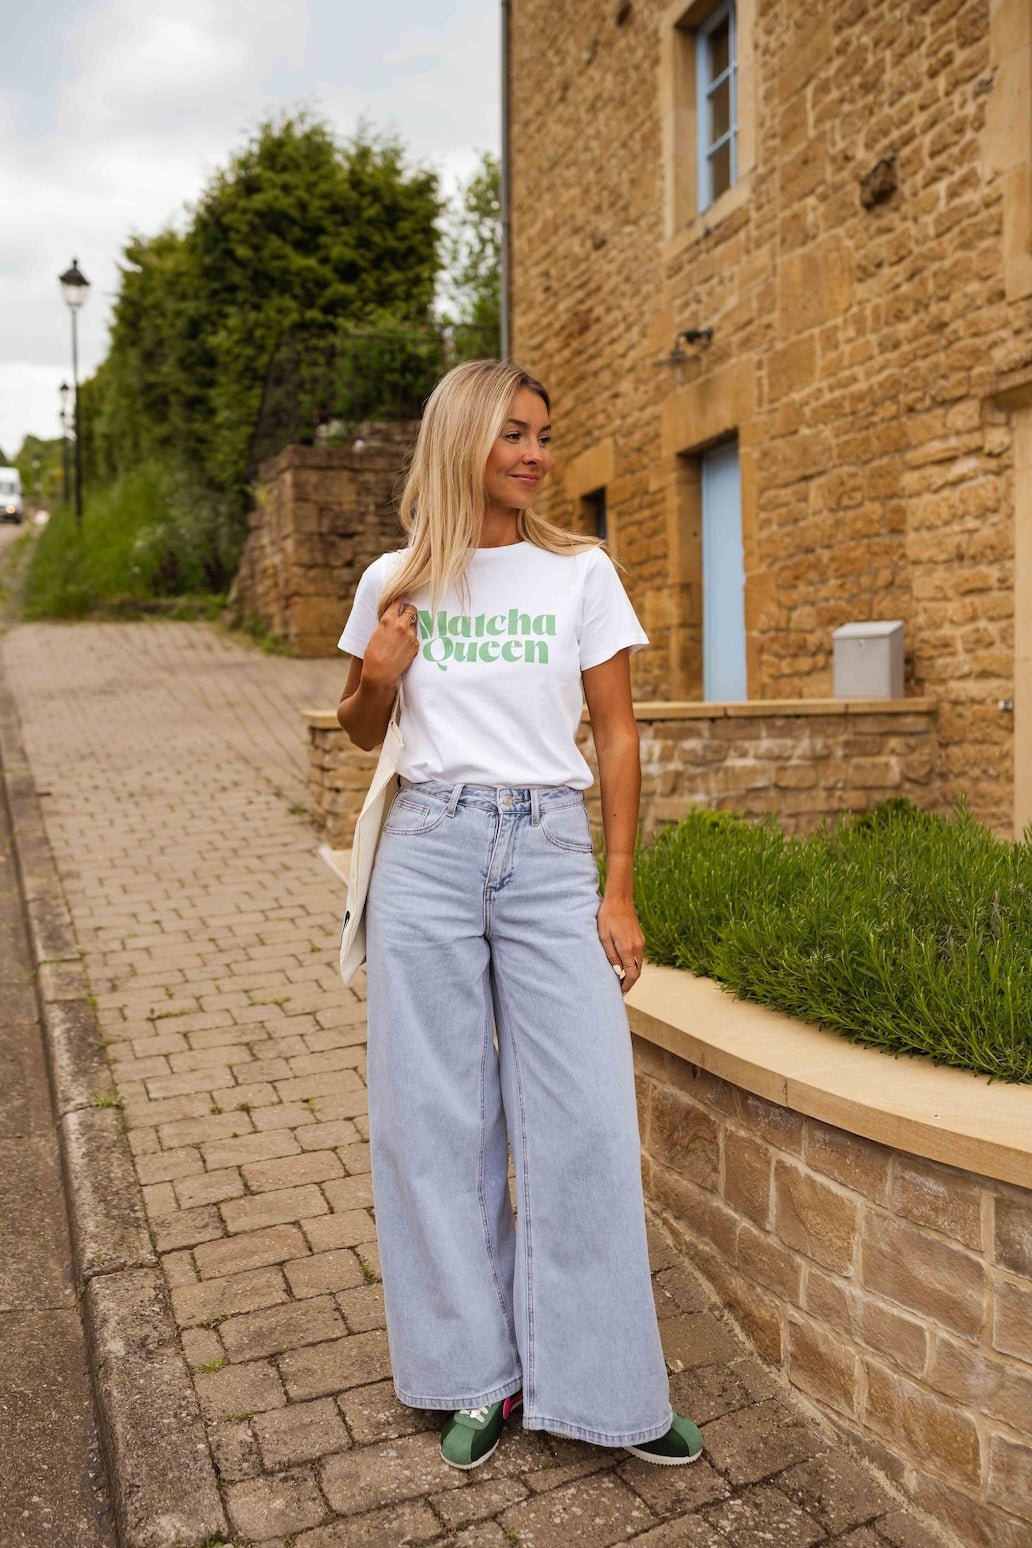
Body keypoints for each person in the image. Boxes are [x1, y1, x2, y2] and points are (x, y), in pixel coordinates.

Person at [335, 359, 704, 1471]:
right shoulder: (395, 577)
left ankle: (608, 1389)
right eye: (514, 435)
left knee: (584, 1117)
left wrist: (621, 884)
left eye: (543, 435)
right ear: (461, 441)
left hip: (547, 848)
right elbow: (358, 728)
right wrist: (384, 675)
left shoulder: (580, 573)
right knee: (433, 1118)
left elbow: (620, 731)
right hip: (429, 849)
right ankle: (473, 1378)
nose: (537, 455)